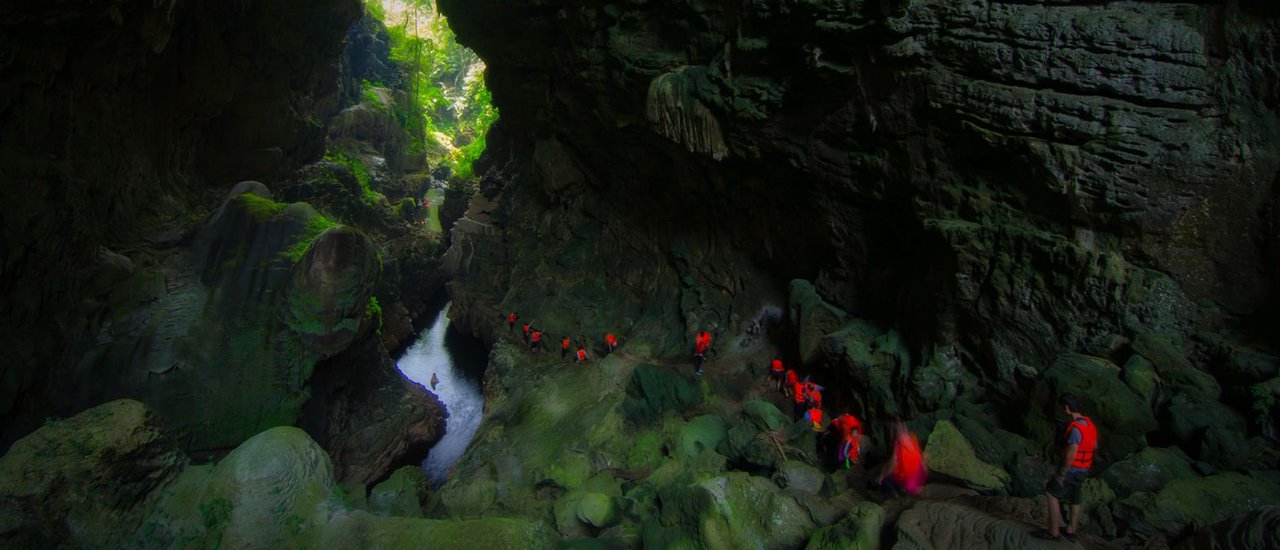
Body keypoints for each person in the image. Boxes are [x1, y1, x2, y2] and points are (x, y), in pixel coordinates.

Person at [1034, 394, 1098, 543]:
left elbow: (1071, 455)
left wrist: (1062, 474)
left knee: (1051, 493)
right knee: (1075, 498)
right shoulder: (1090, 425)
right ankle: (1071, 530)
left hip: (1072, 469)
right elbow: (1094, 446)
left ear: (1068, 408)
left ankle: (1053, 531)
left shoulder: (1076, 429)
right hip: (1084, 469)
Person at [876, 420, 926, 496]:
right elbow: (921, 459)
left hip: (908, 481)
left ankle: (896, 495)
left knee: (885, 480)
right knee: (886, 470)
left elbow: (894, 462)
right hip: (918, 477)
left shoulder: (899, 441)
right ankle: (906, 489)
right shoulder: (912, 436)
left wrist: (882, 476)